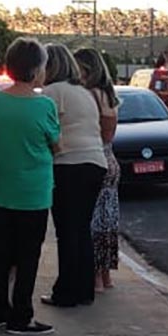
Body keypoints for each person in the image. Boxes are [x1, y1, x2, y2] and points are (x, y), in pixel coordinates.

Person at [0, 37, 60, 335]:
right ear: (37, 68)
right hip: (34, 193)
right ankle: (21, 316)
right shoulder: (45, 105)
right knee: (28, 257)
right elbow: (57, 145)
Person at [42, 44, 107, 308]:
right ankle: (84, 290)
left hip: (68, 164)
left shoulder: (51, 92)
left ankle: (66, 293)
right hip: (95, 162)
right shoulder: (83, 92)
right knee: (81, 229)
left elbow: (45, 131)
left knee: (66, 231)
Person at [75, 47, 121, 292]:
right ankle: (106, 277)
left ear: (87, 69)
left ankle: (94, 277)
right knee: (107, 222)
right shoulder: (108, 94)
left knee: (92, 222)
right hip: (110, 159)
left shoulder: (89, 95)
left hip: (95, 159)